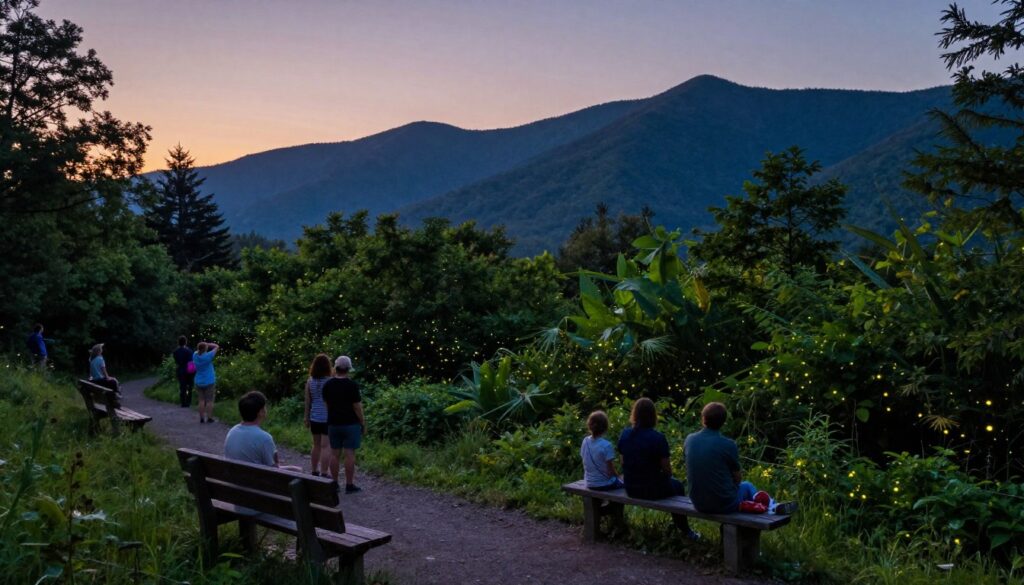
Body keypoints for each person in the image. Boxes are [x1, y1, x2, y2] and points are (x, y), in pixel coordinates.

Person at [618, 397, 699, 539]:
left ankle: (617, 524)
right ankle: (685, 530)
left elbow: (623, 462)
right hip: (651, 489)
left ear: (635, 414)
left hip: (630, 487)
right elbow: (667, 470)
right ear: (653, 416)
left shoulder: (625, 434)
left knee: (672, 484)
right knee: (678, 486)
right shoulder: (658, 438)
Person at [684, 402, 757, 514]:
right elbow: (737, 479)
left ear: (703, 418)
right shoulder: (728, 444)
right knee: (748, 486)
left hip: (698, 503)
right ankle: (772, 507)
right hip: (723, 504)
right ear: (723, 422)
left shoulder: (690, 439)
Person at [224, 391, 300, 470]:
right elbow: (275, 470)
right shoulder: (265, 438)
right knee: (297, 471)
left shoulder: (232, 431)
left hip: (231, 478)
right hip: (253, 481)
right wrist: (293, 469)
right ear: (261, 412)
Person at [322, 355, 365, 493]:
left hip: (333, 423)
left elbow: (327, 404)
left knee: (334, 454)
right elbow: (357, 407)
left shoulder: (328, 384)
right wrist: (362, 422)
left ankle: (334, 483)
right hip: (350, 424)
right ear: (348, 369)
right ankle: (349, 485)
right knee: (349, 454)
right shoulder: (352, 385)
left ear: (336, 368)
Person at [304, 353, 333, 476]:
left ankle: (314, 470)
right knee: (326, 446)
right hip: (327, 417)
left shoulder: (310, 381)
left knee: (316, 445)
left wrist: (306, 417)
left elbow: (307, 401)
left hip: (314, 416)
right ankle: (324, 472)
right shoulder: (330, 381)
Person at [580, 410, 623, 490]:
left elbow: (584, 459)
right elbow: (610, 471)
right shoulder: (606, 445)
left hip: (589, 483)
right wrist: (618, 476)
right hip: (605, 484)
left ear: (589, 425)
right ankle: (612, 503)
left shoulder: (585, 441)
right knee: (623, 486)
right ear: (605, 427)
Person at [193, 341, 219, 424]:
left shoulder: (195, 355)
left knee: (201, 400)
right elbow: (216, 346)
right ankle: (209, 418)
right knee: (209, 401)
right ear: (205, 349)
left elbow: (192, 365)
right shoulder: (208, 356)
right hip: (209, 381)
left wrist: (203, 345)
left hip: (198, 380)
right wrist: (208, 344)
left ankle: (201, 418)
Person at [172, 336, 194, 408]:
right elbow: (191, 361)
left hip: (180, 370)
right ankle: (188, 402)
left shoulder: (175, 352)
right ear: (185, 342)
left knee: (182, 387)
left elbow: (176, 361)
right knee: (189, 387)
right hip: (188, 370)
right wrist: (192, 371)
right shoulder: (189, 351)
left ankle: (183, 402)